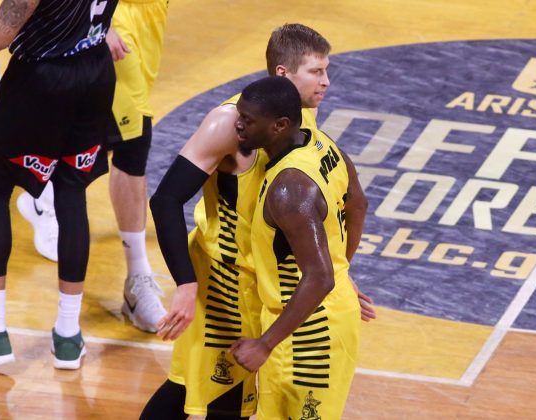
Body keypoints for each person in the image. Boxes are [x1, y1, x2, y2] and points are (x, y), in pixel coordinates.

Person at [141, 23, 374, 419]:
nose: (326, 82)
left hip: (269, 287)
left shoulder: (302, 119)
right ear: (284, 73)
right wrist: (185, 283)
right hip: (225, 281)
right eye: (316, 72)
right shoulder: (230, 122)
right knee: (200, 389)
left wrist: (337, 269)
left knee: (246, 400)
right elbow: (165, 200)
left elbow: (349, 203)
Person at [15, 0, 169, 333]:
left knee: (111, 135)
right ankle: (137, 280)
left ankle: (43, 194)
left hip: (150, 16)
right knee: (132, 141)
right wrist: (97, 21)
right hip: (111, 17)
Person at [0, 0, 118, 369]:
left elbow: (0, 33)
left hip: (41, 80)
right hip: (95, 72)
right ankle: (67, 333)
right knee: (71, 194)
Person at [230, 76, 362, 420]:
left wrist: (264, 344)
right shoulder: (320, 143)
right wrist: (342, 269)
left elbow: (319, 277)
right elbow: (358, 203)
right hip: (309, 317)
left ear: (279, 125)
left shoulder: (289, 189)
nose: (238, 124)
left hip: (309, 334)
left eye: (248, 120)